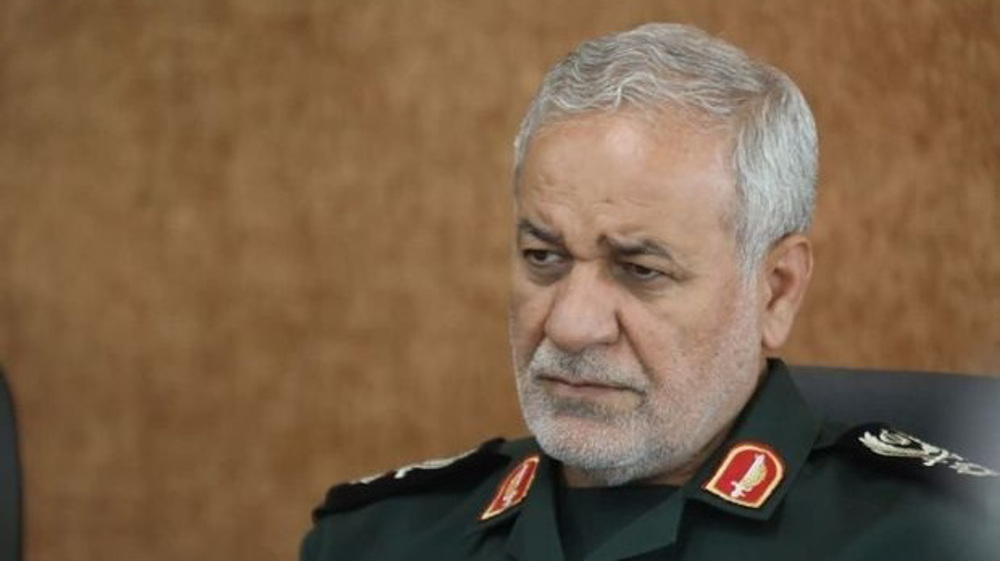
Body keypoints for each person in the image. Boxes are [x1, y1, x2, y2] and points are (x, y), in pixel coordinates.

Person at [300, 23, 999, 560]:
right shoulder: (378, 537)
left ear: (776, 291)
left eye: (642, 270)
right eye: (543, 257)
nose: (571, 326)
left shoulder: (935, 538)